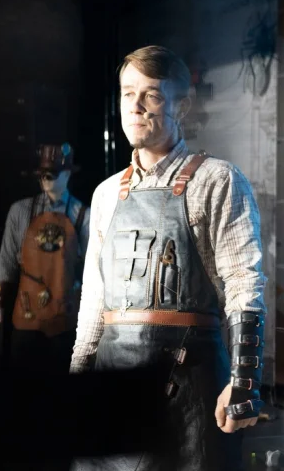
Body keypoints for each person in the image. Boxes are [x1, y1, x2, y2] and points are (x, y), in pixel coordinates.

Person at [69, 45, 268, 470]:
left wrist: (244, 381)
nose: (136, 106)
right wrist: (77, 378)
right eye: (127, 94)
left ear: (183, 105)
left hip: (188, 390)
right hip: (113, 390)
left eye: (152, 95)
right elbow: (95, 299)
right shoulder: (106, 194)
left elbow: (243, 281)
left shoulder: (217, 180)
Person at [0, 143, 90, 374]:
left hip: (65, 312)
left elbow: (91, 267)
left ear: (67, 174)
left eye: (52, 173)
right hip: (27, 311)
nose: (46, 179)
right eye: (43, 174)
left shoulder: (84, 215)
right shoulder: (20, 211)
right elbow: (7, 259)